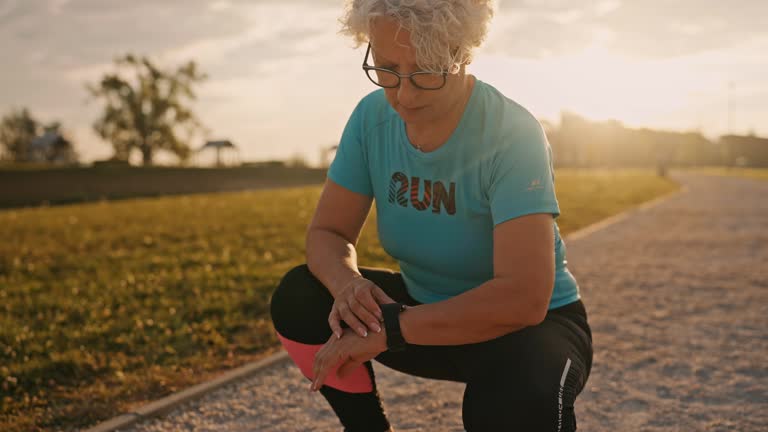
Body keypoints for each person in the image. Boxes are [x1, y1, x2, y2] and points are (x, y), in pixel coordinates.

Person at [270, 1, 593, 430]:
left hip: (525, 330)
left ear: (462, 54)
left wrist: (393, 327)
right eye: (386, 68)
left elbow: (523, 298)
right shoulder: (371, 119)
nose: (403, 94)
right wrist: (348, 287)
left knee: (511, 407)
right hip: (419, 313)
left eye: (425, 71)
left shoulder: (513, 133)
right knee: (300, 295)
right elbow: (328, 233)